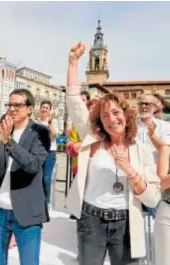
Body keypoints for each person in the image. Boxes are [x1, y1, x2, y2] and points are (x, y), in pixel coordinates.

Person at [66, 42, 160, 265]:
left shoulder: (142, 150)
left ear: (127, 116)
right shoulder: (94, 138)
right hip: (91, 219)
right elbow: (74, 101)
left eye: (116, 113)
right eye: (105, 115)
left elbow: (152, 198)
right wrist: (73, 63)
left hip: (126, 224)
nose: (111, 119)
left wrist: (129, 170)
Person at [0, 88, 51, 265]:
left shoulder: (40, 132)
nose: (12, 109)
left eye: (17, 105)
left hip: (27, 212)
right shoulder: (5, 130)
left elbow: (33, 165)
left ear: (30, 109)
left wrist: (8, 142)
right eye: (9, 105)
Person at [39, 100, 59, 209]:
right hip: (39, 153)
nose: (44, 109)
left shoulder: (53, 122)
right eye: (43, 107)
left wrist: (50, 123)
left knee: (46, 178)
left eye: (47, 108)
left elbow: (54, 135)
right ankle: (39, 200)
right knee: (38, 178)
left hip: (50, 152)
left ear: (50, 110)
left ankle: (46, 203)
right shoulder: (37, 123)